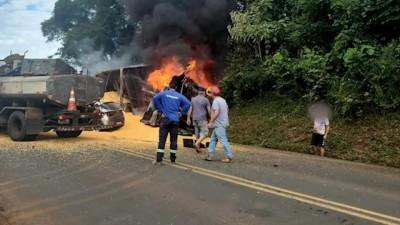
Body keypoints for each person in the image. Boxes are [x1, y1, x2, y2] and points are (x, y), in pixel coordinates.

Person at [152, 80, 191, 165]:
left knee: (162, 140)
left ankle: (159, 160)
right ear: (176, 88)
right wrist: (182, 113)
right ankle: (173, 159)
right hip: (175, 120)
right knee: (174, 140)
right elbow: (188, 104)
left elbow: (155, 98)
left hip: (165, 119)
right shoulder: (179, 96)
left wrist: (160, 109)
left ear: (169, 86)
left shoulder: (164, 93)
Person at [205, 86, 233, 163]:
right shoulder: (223, 100)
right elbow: (227, 110)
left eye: (209, 92)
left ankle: (229, 156)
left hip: (219, 124)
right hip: (222, 123)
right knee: (213, 139)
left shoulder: (216, 101)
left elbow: (216, 112)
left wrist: (211, 122)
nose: (208, 94)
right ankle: (210, 155)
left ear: (213, 93)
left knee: (223, 140)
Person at [187, 87, 211, 153]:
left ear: (198, 92)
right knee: (205, 133)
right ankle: (197, 143)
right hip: (202, 119)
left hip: (194, 119)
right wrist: (211, 119)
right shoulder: (206, 100)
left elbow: (190, 109)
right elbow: (209, 110)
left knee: (197, 133)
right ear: (204, 93)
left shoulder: (193, 99)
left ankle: (198, 147)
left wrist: (188, 118)